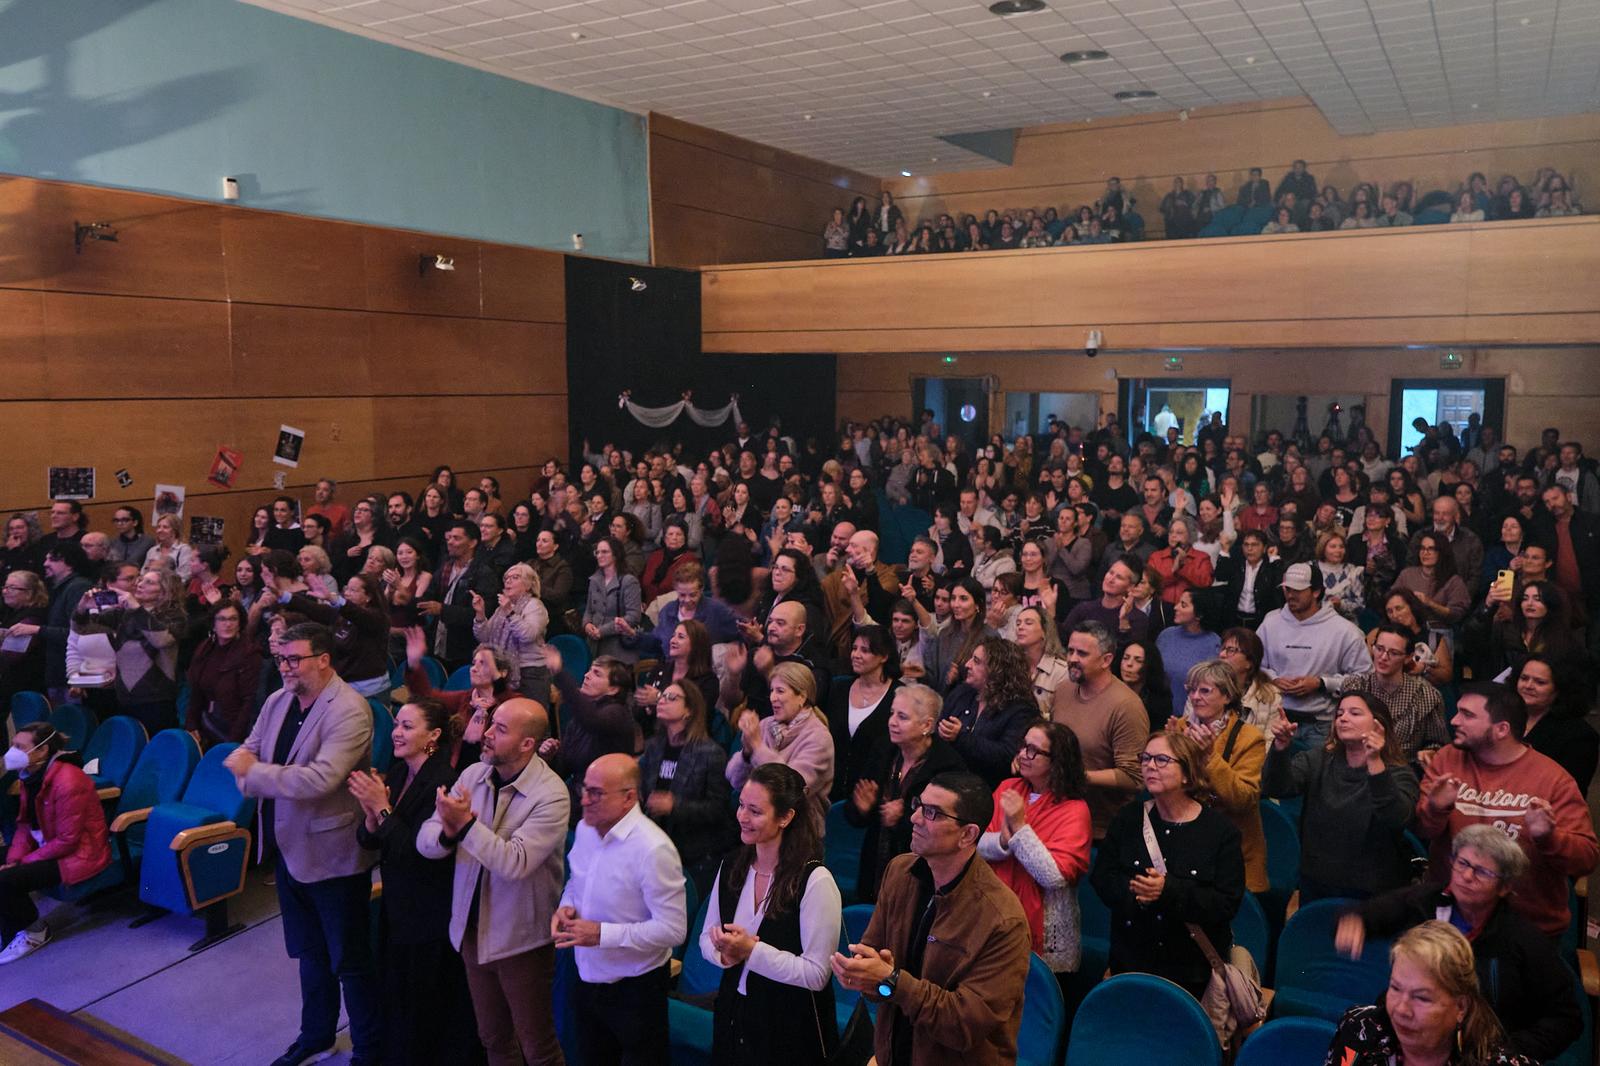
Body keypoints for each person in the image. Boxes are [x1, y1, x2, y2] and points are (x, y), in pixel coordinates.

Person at [225, 622, 380, 1066]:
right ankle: (316, 1036)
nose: (286, 668)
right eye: (281, 659)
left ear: (324, 659)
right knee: (309, 955)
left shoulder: (348, 709)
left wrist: (253, 772)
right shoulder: (278, 700)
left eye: (295, 659)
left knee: (350, 962)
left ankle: (369, 1051)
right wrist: (251, 764)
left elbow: (319, 779)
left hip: (334, 856)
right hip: (288, 847)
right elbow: (249, 747)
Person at [831, 770, 1032, 1066]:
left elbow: (965, 1025)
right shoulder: (900, 872)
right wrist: (867, 977)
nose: (914, 818)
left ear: (968, 834)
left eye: (932, 813)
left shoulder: (1003, 919)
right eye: (918, 805)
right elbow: (878, 973)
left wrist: (891, 982)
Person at [1334, 825, 1582, 1062]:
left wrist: (1507, 1051)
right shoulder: (1423, 902)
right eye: (1462, 863)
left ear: (1505, 887)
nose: (1466, 876)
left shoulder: (1523, 941)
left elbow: (1566, 1018)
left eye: (1482, 871)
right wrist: (1356, 921)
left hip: (1479, 1053)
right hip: (1409, 1039)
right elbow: (1368, 914)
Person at [417, 696, 568, 1066]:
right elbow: (427, 838)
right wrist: (449, 834)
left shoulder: (551, 796)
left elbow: (514, 863)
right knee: (493, 1038)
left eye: (500, 729)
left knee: (538, 1047)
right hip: (472, 931)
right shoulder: (473, 776)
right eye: (490, 724)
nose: (485, 734)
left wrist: (465, 825)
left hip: (521, 940)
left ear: (527, 744)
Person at [348, 698, 483, 1066]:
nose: (396, 732)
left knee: (422, 1005)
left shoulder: (443, 784)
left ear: (433, 736)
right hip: (398, 907)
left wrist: (383, 809)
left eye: (408, 726)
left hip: (428, 914)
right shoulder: (396, 773)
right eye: (396, 724)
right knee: (396, 997)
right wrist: (372, 817)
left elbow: (417, 854)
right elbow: (371, 841)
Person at [1415, 683, 1599, 940]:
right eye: (1457, 712)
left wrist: (1549, 837)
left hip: (1526, 928)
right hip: (1449, 918)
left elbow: (1586, 859)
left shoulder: (1553, 780)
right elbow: (1424, 831)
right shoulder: (1448, 760)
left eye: (1468, 715)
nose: (1454, 721)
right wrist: (1436, 808)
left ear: (1501, 729)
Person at [701, 763, 843, 1066]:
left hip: (789, 1026)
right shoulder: (732, 865)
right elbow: (706, 936)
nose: (742, 816)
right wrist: (724, 956)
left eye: (755, 810)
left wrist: (750, 951)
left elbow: (817, 974)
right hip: (733, 1014)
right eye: (741, 805)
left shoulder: (815, 880)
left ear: (786, 817)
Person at [1090, 732, 1245, 1006]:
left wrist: (1168, 891)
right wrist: (1138, 894)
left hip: (1190, 974)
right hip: (1131, 961)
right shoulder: (1128, 818)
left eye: (1162, 759)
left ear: (1187, 774)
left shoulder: (1219, 832)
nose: (1150, 765)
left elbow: (1226, 903)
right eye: (1146, 758)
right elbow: (1102, 877)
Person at [556, 753, 687, 1066]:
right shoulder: (587, 830)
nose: (585, 800)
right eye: (584, 789)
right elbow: (577, 882)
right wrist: (566, 907)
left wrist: (602, 934)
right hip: (587, 974)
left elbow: (673, 929)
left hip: (634, 988)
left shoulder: (654, 849)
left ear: (629, 797)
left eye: (596, 793)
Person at [1265, 690, 1419, 902]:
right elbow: (1277, 788)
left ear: (1378, 724)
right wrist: (1280, 748)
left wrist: (1374, 761)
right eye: (1339, 714)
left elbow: (1395, 818)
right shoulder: (1318, 759)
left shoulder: (1399, 773)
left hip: (1373, 891)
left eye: (1354, 713)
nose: (1343, 718)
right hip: (1317, 882)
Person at [1325, 922, 1538, 1066]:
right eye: (1395, 988)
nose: (1401, 1009)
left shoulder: (1497, 1062)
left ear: (1461, 1007)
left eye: (1422, 998)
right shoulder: (1359, 1028)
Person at [977, 722, 1092, 979]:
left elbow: (1053, 875)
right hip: (994, 918)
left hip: (1046, 936)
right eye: (1023, 745)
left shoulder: (1074, 809)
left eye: (1033, 750)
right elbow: (975, 844)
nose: (1022, 754)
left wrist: (1019, 827)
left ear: (1057, 761)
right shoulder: (1008, 787)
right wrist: (1003, 843)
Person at [0, 722, 112, 965]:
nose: (12, 752)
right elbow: (23, 825)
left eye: (20, 747)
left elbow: (68, 841)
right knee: (7, 866)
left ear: (42, 750)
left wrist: (22, 863)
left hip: (79, 853)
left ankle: (35, 931)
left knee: (6, 879)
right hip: (47, 845)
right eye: (12, 745)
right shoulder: (29, 776)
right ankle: (11, 931)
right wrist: (14, 858)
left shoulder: (68, 780)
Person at [845, 683, 966, 904]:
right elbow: (853, 813)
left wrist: (901, 821)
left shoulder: (947, 765)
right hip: (875, 866)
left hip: (921, 873)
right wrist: (862, 808)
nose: (892, 722)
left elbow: (946, 829)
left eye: (902, 717)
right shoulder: (883, 749)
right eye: (892, 713)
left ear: (927, 725)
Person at [1169, 659, 1268, 893]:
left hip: (1232, 854)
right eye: (1192, 690)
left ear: (1227, 697)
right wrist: (1170, 751)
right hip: (1185, 846)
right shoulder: (1179, 729)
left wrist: (1209, 757)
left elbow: (1244, 799)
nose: (1195, 697)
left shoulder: (1249, 738)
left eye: (1205, 690)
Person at [1257, 562, 1372, 750]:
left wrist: (1322, 683)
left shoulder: (1345, 632)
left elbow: (1366, 679)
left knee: (1316, 777)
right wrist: (1274, 679)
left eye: (1298, 590)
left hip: (1320, 724)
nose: (1290, 595)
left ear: (1316, 592)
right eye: (1287, 589)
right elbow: (1253, 665)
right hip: (1275, 719)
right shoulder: (1270, 623)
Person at [1053, 621, 1150, 839]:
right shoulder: (1063, 690)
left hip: (1101, 830)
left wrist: (1078, 776)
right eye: (1070, 651)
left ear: (1106, 660)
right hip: (1058, 815)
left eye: (1082, 653)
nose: (1072, 659)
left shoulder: (1126, 706)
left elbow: (1134, 777)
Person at [639, 680, 733, 897]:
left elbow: (718, 810)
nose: (663, 701)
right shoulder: (654, 747)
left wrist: (675, 806)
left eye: (672, 698)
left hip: (694, 851)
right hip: (656, 845)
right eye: (662, 696)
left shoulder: (710, 753)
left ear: (689, 711)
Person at [728, 661, 835, 838]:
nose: (772, 698)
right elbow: (735, 780)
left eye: (780, 691)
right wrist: (747, 753)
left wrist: (757, 747)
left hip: (801, 833)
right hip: (759, 827)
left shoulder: (819, 737)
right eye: (771, 691)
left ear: (802, 697)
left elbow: (792, 788)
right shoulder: (764, 726)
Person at [76, 567, 187, 734]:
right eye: (141, 580)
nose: (140, 584)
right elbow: (82, 628)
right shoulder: (126, 613)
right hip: (124, 695)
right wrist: (83, 607)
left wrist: (136, 608)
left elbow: (160, 640)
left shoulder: (175, 616)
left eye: (149, 582)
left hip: (156, 698)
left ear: (166, 590)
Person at [542, 644, 638, 811]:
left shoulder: (618, 714)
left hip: (604, 803)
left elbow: (591, 720)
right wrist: (549, 756)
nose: (586, 676)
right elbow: (564, 769)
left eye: (597, 674)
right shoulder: (578, 719)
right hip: (576, 796)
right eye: (589, 671)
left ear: (613, 689)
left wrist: (560, 672)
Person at [937, 635, 1039, 789]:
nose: (967, 665)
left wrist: (961, 737)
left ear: (997, 670)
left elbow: (1007, 755)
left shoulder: (1021, 708)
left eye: (976, 661)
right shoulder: (963, 692)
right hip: (951, 781)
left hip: (991, 788)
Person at [1342, 623, 1451, 765]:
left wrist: (1429, 753)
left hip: (1403, 768)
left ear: (1408, 657)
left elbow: (1438, 744)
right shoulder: (1355, 685)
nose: (1383, 657)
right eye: (1379, 649)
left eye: (1393, 653)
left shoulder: (1426, 695)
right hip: (1357, 765)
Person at [824, 624, 900, 801]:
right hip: (830, 789)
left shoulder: (898, 695)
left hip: (871, 795)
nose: (856, 655)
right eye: (854, 648)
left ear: (884, 656)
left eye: (865, 650)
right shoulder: (838, 687)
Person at [420, 520, 503, 672]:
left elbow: (481, 615)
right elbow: (428, 598)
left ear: (472, 543)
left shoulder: (484, 573)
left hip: (464, 650)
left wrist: (443, 610)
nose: (450, 542)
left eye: (456, 538)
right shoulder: (445, 568)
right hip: (438, 644)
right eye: (449, 538)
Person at [1515, 654, 1598, 793]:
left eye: (1540, 682)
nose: (1528, 686)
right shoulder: (1503, 718)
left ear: (1559, 689)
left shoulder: (1579, 735)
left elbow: (1570, 790)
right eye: (1524, 678)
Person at [185, 601, 264, 747]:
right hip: (207, 721)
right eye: (222, 619)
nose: (228, 624)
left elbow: (249, 702)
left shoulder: (250, 654)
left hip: (234, 727)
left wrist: (234, 740)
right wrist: (191, 724)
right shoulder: (205, 648)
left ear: (240, 623)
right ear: (213, 624)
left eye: (233, 619)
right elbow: (196, 691)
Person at [472, 561, 550, 701]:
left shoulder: (535, 606)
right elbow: (484, 637)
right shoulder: (502, 609)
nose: (508, 581)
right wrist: (480, 614)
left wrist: (510, 612)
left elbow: (528, 635)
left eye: (515, 577)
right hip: (504, 671)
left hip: (530, 673)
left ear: (528, 585)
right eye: (506, 578)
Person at [582, 535, 644, 664]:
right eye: (597, 552)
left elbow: (633, 616)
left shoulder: (629, 581)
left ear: (616, 555)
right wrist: (587, 624)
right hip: (594, 644)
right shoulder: (594, 580)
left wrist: (603, 631)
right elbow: (588, 609)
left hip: (618, 646)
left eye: (604, 552)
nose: (599, 555)